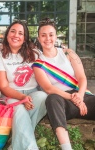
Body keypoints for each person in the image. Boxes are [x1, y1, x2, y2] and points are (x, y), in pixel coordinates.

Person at [32, 18, 95, 150]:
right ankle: (66, 147)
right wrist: (75, 100)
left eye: (51, 35)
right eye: (43, 35)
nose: (47, 38)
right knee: (52, 99)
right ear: (38, 38)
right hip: (62, 102)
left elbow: (82, 77)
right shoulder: (38, 64)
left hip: (81, 95)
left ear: (56, 36)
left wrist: (80, 96)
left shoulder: (68, 53)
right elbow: (49, 88)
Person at [0, 20, 47, 150]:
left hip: (32, 93)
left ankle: (17, 143)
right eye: (13, 31)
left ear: (25, 38)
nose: (16, 35)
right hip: (10, 95)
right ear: (7, 35)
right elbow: (3, 87)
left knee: (43, 96)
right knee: (20, 110)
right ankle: (30, 147)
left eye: (20, 33)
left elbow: (48, 71)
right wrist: (22, 98)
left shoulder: (35, 54)